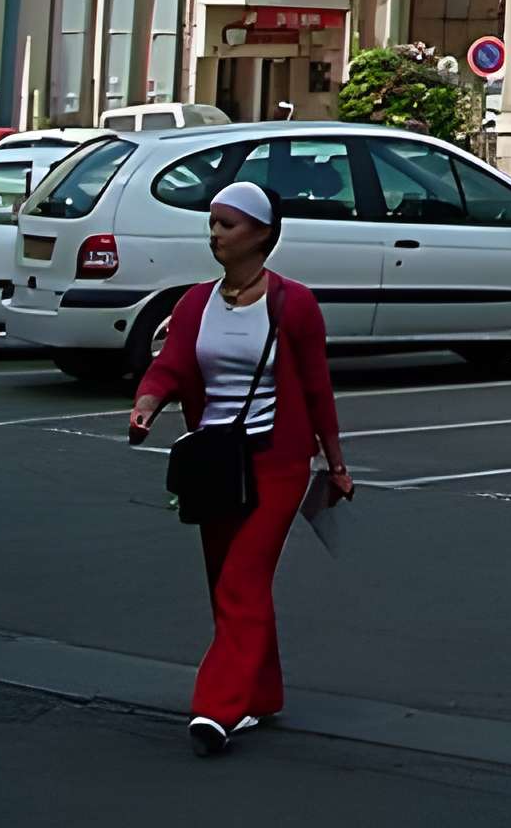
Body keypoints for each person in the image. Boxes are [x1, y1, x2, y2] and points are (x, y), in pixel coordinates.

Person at [129, 181, 351, 754]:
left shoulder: (293, 303)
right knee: (227, 581)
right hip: (215, 464)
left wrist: (336, 461)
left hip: (278, 463)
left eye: (227, 224)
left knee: (242, 579)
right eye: (212, 223)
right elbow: (172, 364)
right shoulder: (195, 302)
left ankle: (217, 707)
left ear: (262, 234)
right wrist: (149, 402)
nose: (215, 234)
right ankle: (261, 693)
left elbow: (316, 386)